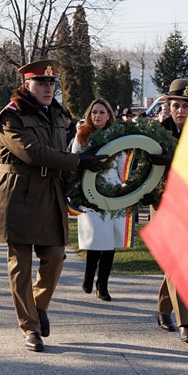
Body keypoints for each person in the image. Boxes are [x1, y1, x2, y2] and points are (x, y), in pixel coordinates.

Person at [0, 59, 109, 352]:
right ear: (27, 85)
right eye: (42, 84)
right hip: (18, 193)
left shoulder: (58, 114)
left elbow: (66, 147)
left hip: (50, 192)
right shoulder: (11, 117)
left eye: (51, 84)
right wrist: (77, 162)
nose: (48, 89)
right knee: (20, 265)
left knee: (56, 257)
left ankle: (38, 305)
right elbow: (32, 152)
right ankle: (29, 328)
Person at [70, 98, 134, 301]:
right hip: (89, 192)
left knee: (110, 240)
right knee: (97, 237)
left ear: (109, 116)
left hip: (113, 190)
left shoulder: (117, 137)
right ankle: (89, 276)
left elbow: (123, 164)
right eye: (94, 112)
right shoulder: (81, 137)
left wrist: (126, 188)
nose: (97, 116)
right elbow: (73, 162)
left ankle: (103, 285)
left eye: (102, 112)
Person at [153, 78, 188, 343]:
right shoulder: (158, 135)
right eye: (176, 105)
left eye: (187, 106)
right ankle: (186, 323)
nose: (181, 110)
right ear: (168, 107)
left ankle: (162, 309)